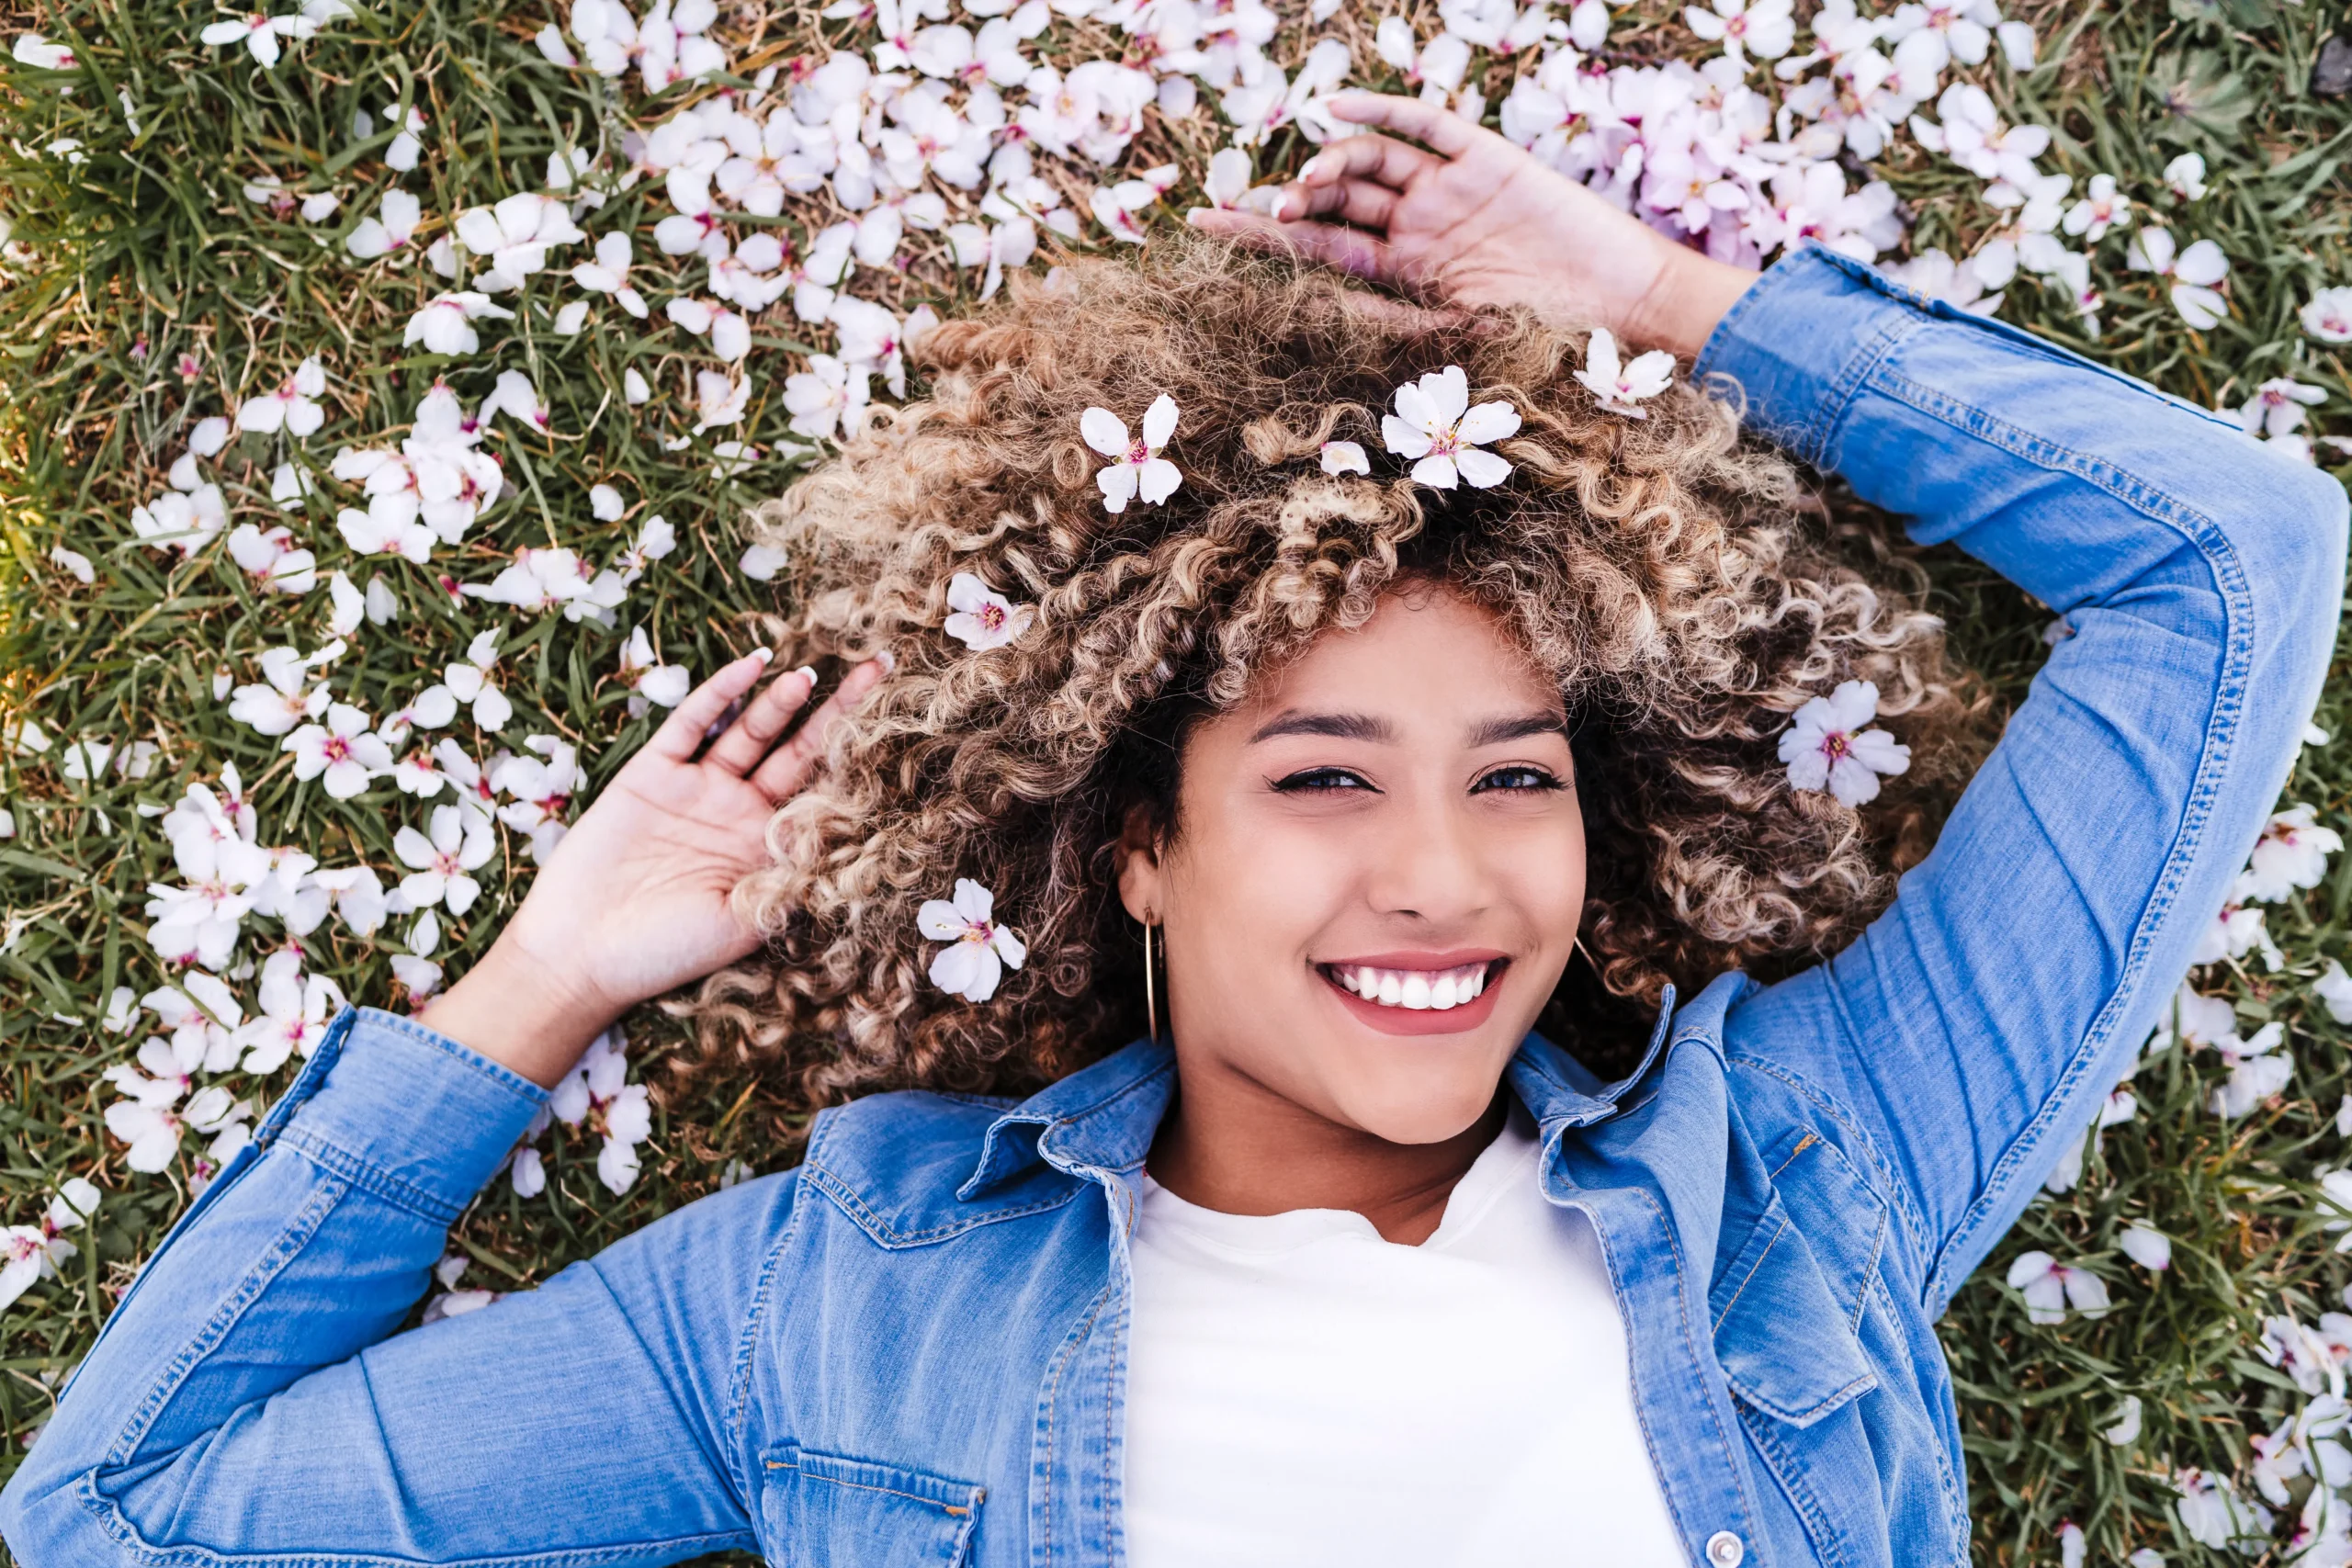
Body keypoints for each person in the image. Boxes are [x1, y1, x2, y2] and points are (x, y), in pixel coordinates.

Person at [2, 90, 2342, 1568]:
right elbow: (114, 1526)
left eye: (1510, 776)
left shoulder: (1814, 1173)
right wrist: (543, 985)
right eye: (1323, 774)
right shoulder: (832, 1309)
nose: (1440, 873)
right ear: (1135, 842)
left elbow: (2232, 560)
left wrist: (1653, 297)